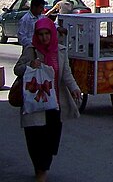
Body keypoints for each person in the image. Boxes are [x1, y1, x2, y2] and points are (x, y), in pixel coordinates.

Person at [14, 17, 82, 182]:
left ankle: (43, 165)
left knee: (51, 141)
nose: (44, 38)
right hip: (35, 103)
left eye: (47, 34)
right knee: (35, 139)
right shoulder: (31, 50)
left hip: (55, 103)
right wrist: (30, 64)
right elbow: (18, 69)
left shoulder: (60, 51)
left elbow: (66, 73)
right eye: (40, 34)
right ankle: (41, 170)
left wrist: (74, 88)